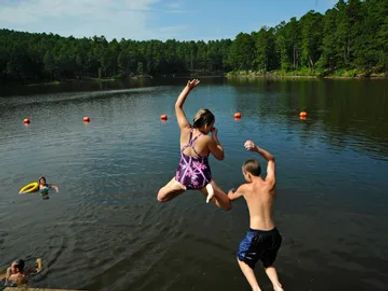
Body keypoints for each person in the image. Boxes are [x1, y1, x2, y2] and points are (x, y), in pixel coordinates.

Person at [157, 79, 231, 210]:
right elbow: (221, 156)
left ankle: (183, 187)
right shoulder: (207, 139)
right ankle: (212, 190)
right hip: (202, 180)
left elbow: (177, 106)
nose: (212, 128)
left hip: (183, 175)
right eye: (212, 126)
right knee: (226, 205)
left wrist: (188, 88)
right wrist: (215, 137)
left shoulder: (185, 129)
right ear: (207, 125)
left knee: (160, 197)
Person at [228, 140, 283, 291]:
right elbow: (271, 159)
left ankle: (256, 289)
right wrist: (256, 149)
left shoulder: (245, 188)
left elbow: (230, 198)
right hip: (274, 235)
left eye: (244, 174)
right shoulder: (270, 183)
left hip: (256, 235)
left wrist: (229, 192)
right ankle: (277, 287)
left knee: (242, 259)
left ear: (248, 174)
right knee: (268, 263)